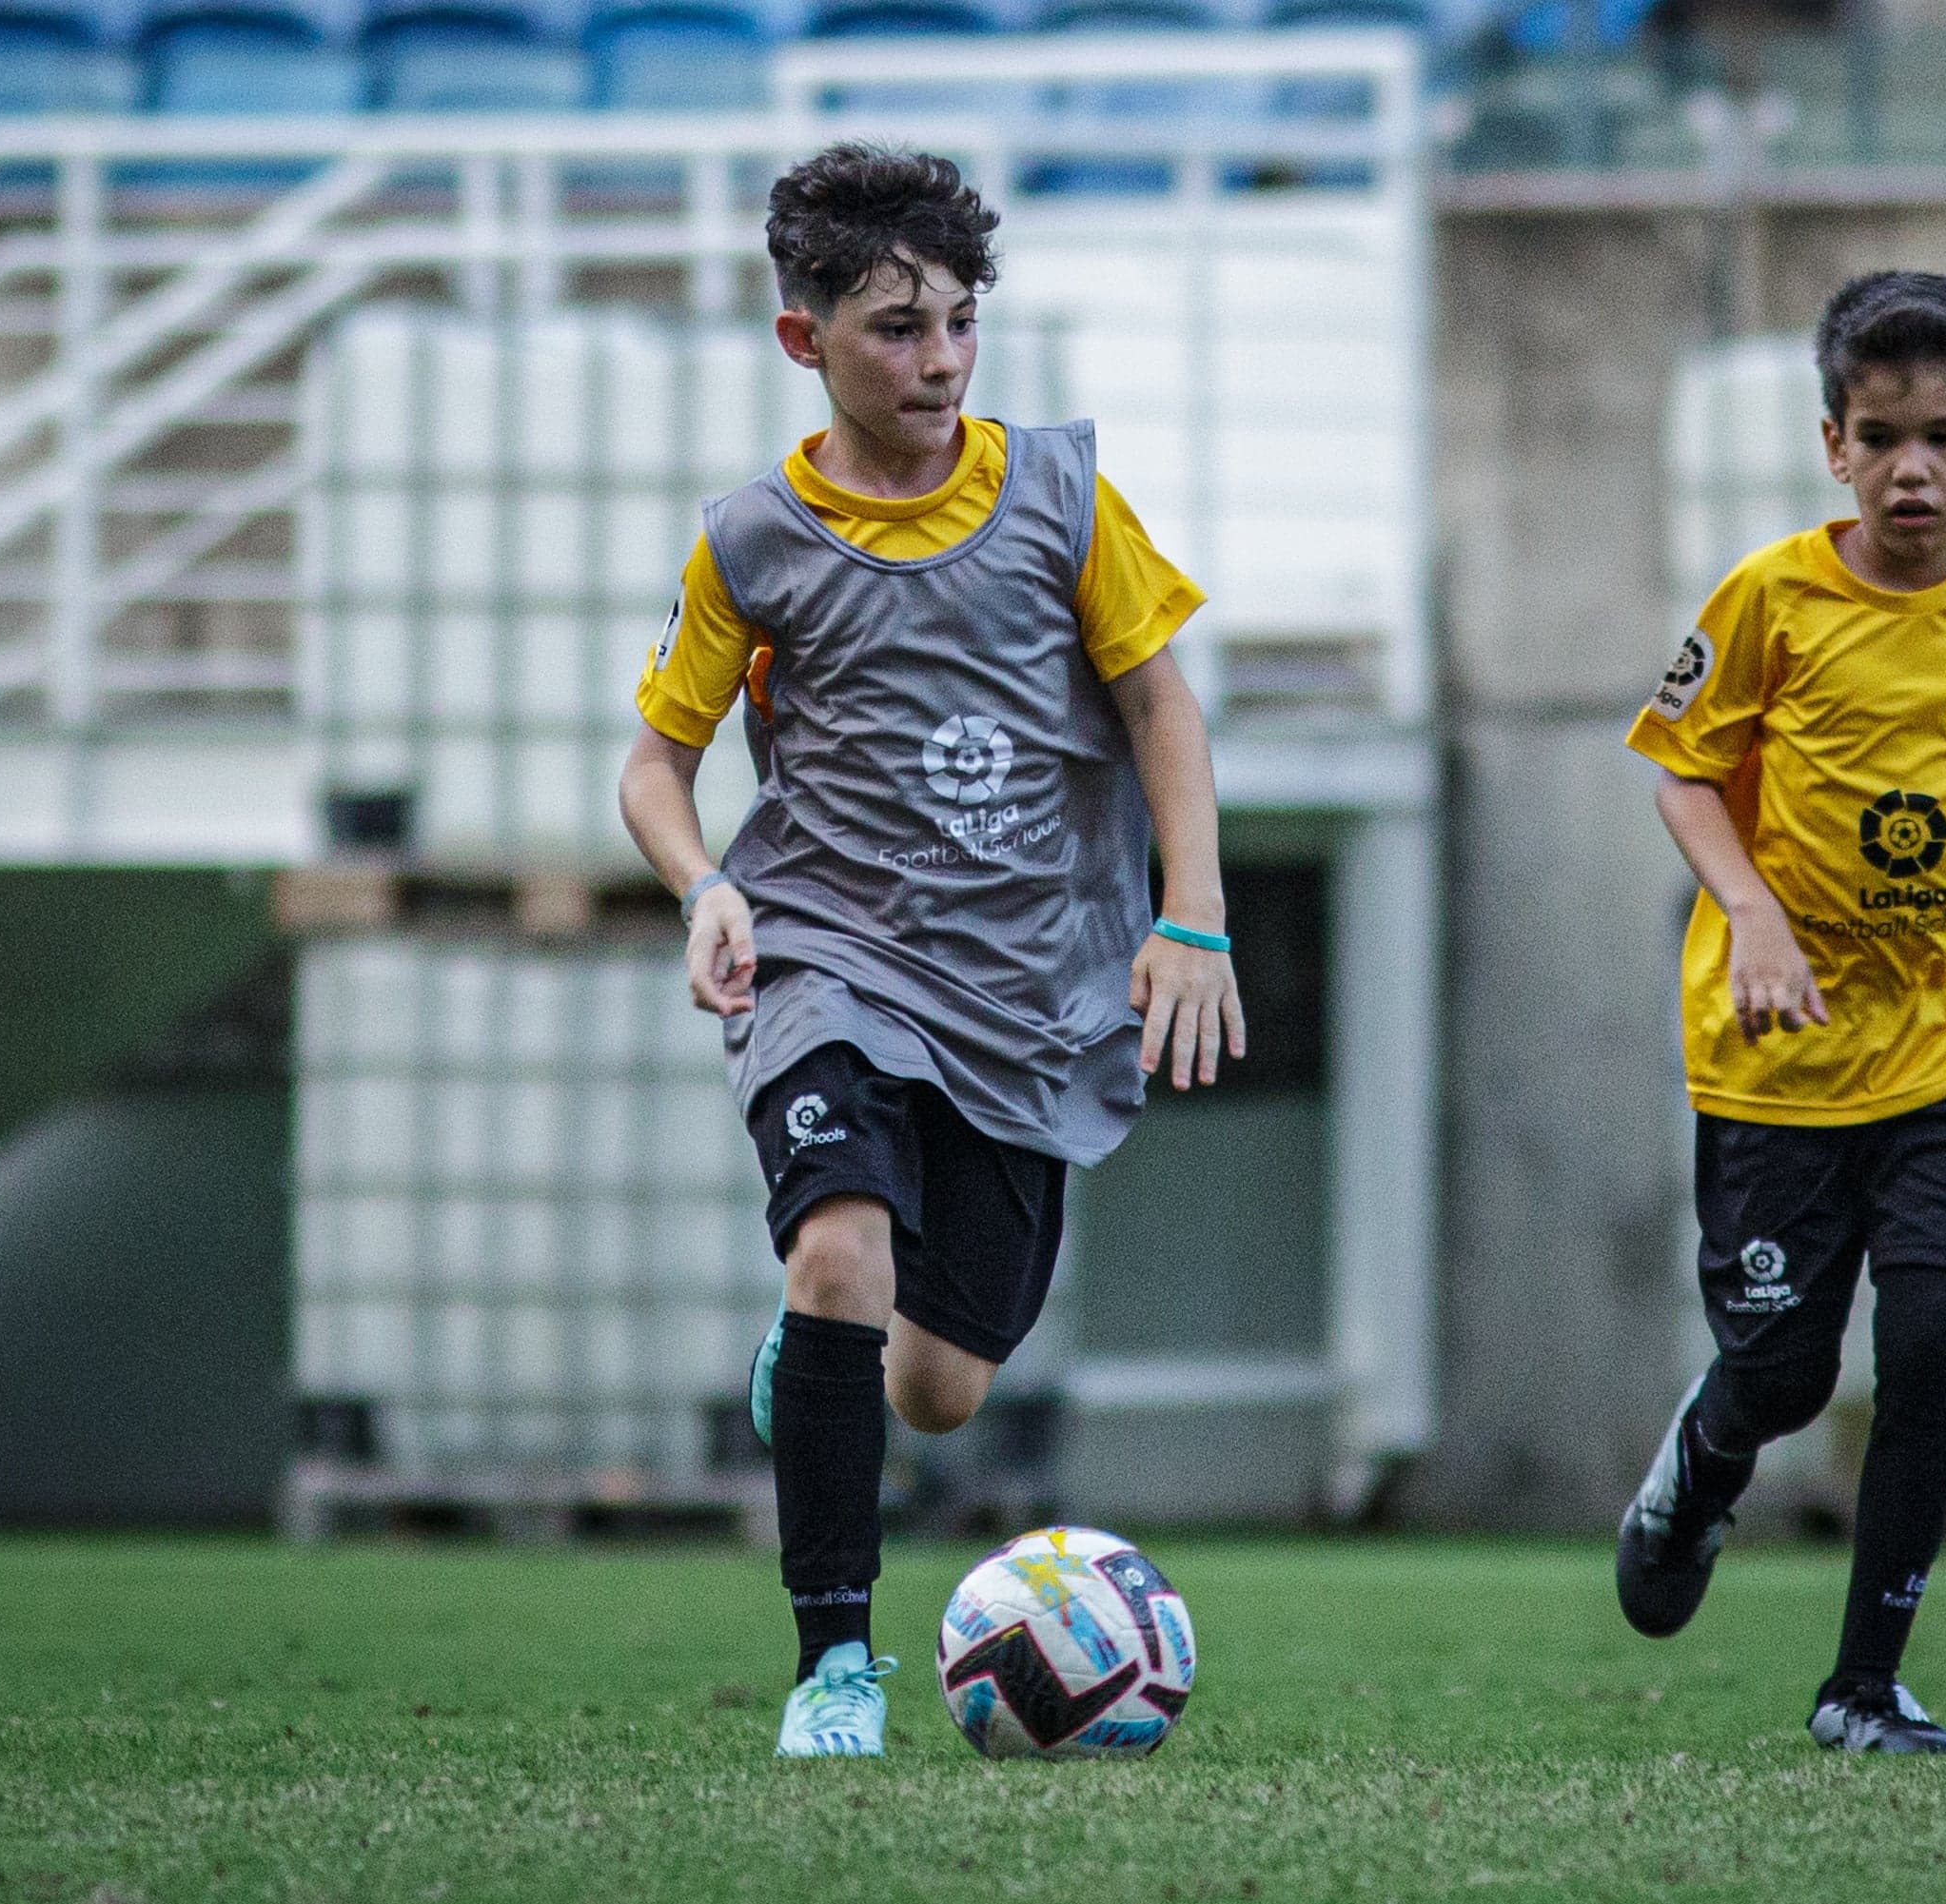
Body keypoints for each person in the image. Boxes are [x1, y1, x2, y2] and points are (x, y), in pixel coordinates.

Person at [618, 143, 1244, 1760]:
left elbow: (1164, 708)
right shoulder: (752, 543)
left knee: (940, 1387)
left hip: (1031, 995)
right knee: (837, 1251)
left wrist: (1192, 917)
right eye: (896, 328)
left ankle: (815, 1354)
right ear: (802, 338)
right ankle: (835, 1662)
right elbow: (652, 765)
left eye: (961, 321)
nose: (941, 359)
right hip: (830, 955)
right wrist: (705, 886)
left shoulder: (1059, 494)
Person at [1615, 269, 1946, 1755]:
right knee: (1786, 1371)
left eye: (1945, 434)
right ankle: (1705, 1458)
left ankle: (1864, 1684)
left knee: (1930, 1336)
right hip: (1777, 1053)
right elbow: (1679, 772)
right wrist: (1757, 913)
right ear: (1833, 446)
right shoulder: (1772, 599)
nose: (1915, 466)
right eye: (1881, 435)